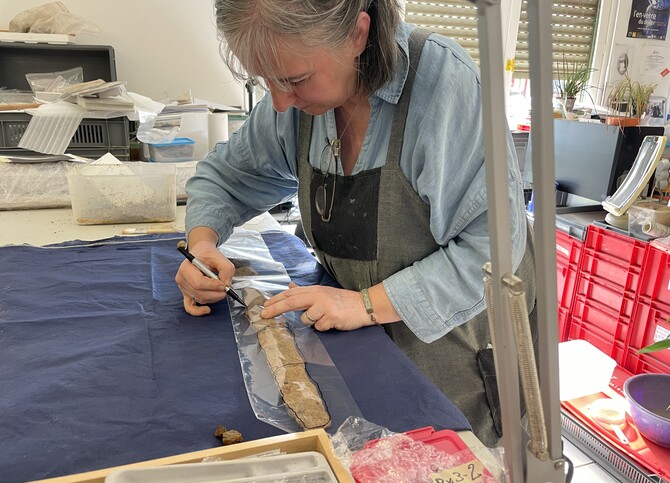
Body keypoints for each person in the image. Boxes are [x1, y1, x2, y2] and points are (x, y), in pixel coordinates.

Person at [175, 0, 537, 447]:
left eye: (294, 79)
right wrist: (203, 244)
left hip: (453, 344)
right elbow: (227, 176)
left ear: (357, 35)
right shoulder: (291, 102)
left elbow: (492, 252)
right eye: (263, 80)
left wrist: (365, 305)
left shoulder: (446, 88)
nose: (280, 101)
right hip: (358, 340)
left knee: (439, 468)